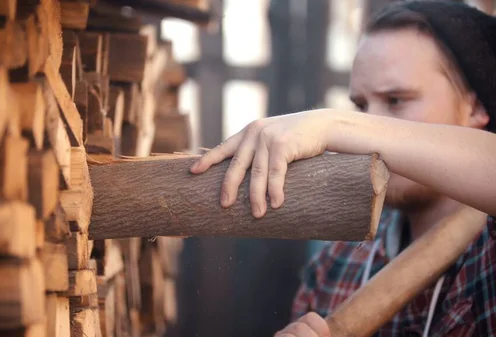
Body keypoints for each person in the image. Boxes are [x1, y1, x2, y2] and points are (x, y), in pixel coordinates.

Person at [189, 1, 496, 336]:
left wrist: (332, 124)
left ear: (475, 106)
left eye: (396, 100)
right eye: (360, 106)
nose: (368, 124)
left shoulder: (489, 257)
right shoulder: (334, 266)